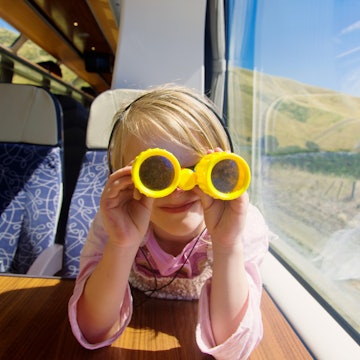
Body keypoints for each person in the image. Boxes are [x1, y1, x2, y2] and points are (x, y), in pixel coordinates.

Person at [68, 84, 270, 359]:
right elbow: (91, 330)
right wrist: (122, 243)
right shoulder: (114, 223)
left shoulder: (243, 227)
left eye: (201, 170)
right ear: (127, 179)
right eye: (155, 173)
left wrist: (226, 244)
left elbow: (232, 346)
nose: (179, 189)